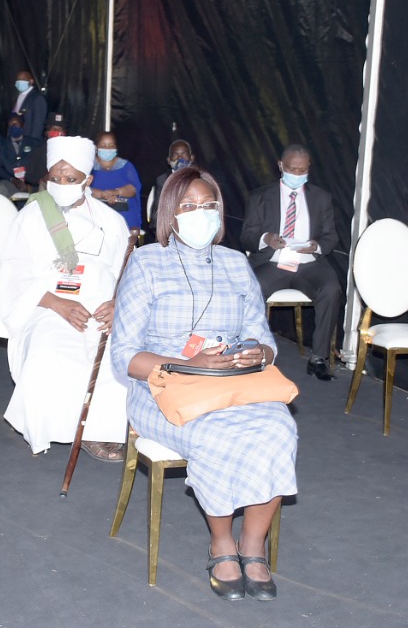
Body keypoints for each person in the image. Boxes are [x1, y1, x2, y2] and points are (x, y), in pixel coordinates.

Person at [110, 166, 296, 601]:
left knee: (279, 428)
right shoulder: (146, 262)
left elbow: (264, 340)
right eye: (189, 206)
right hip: (164, 389)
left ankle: (253, 545)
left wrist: (257, 354)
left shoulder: (236, 264)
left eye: (209, 205)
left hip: (234, 383)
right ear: (170, 213)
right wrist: (188, 363)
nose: (201, 213)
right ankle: (221, 543)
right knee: (216, 436)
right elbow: (125, 356)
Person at [0, 136, 131, 459]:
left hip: (99, 310)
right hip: (46, 306)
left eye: (71, 179)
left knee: (116, 356)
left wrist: (118, 305)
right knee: (50, 351)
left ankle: (97, 431)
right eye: (55, 178)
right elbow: (14, 275)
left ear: (88, 180)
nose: (62, 185)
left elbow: (126, 276)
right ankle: (53, 428)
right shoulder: (31, 216)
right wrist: (57, 303)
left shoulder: (111, 222)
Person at [240, 144, 342, 381]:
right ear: (280, 166)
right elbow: (246, 236)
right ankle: (250, 352)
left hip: (308, 263)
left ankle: (319, 358)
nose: (297, 174)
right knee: (252, 289)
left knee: (331, 289)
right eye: (292, 169)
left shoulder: (321, 198)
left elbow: (331, 236)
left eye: (302, 170)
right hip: (272, 262)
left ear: (309, 168)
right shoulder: (260, 197)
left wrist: (316, 246)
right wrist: (266, 238)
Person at [89, 131, 142, 235]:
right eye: (103, 146)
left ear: (116, 148)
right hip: (96, 213)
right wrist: (103, 194)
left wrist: (116, 192)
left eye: (111, 146)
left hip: (124, 214)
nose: (107, 149)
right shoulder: (89, 166)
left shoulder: (126, 166)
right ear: (96, 147)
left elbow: (133, 189)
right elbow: (82, 187)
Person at [0, 113, 43, 197]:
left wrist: (29, 181)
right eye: (11, 125)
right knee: (0, 188)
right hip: (10, 182)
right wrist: (12, 179)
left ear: (22, 125)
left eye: (16, 124)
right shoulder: (1, 145)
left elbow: (39, 165)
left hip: (31, 183)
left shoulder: (34, 143)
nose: (13, 126)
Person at [148, 139, 195, 229]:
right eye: (175, 155)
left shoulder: (200, 179)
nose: (180, 158)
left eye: (184, 154)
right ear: (169, 161)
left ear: (191, 158)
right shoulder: (162, 180)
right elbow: (156, 214)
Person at [11, 70, 47, 140]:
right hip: (16, 138)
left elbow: (38, 123)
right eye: (18, 79)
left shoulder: (37, 98)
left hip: (28, 139)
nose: (20, 82)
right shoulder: (18, 97)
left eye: (23, 79)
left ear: (31, 81)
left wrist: (32, 141)